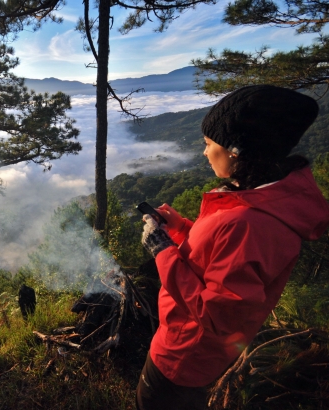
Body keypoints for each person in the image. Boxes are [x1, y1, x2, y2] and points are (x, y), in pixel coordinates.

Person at [136, 85, 329, 410]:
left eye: (209, 144)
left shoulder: (249, 221)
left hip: (185, 357)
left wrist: (162, 251)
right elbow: (220, 259)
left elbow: (218, 313)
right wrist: (181, 229)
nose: (204, 152)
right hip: (203, 351)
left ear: (235, 152)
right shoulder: (262, 199)